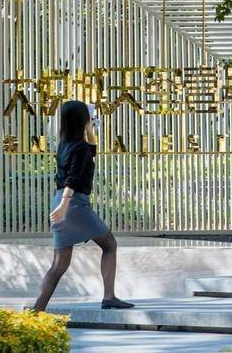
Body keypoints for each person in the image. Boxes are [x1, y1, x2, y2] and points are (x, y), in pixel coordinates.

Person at [33, 100, 134, 311]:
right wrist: (64, 205)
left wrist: (89, 130)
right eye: (88, 117)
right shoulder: (79, 148)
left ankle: (37, 310)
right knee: (109, 245)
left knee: (59, 264)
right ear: (82, 119)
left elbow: (91, 152)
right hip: (73, 203)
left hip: (62, 200)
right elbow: (73, 177)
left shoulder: (66, 144)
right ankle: (109, 297)